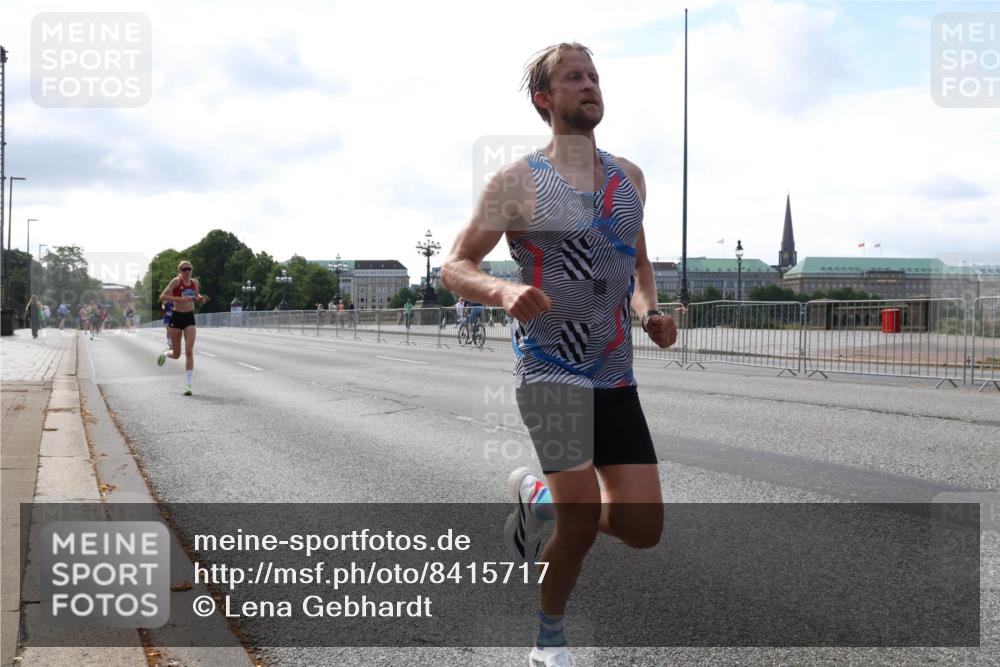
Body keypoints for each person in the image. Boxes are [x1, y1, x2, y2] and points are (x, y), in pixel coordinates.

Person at [441, 42, 678, 667]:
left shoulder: (630, 178)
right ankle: (549, 638)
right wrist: (503, 287)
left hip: (614, 372)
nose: (589, 85)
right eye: (574, 78)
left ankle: (537, 499)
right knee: (578, 521)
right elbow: (455, 266)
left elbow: (638, 263)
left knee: (642, 529)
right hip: (549, 369)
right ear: (545, 100)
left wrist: (648, 310)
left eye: (594, 76)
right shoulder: (516, 182)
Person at [156, 260, 209, 395]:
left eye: (189, 269)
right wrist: (179, 299)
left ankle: (188, 385)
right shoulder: (175, 282)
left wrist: (201, 298)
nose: (187, 271)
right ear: (180, 271)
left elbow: (195, 296)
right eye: (184, 269)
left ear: (192, 270)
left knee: (189, 351)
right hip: (177, 317)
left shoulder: (194, 283)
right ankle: (165, 353)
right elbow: (162, 296)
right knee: (177, 354)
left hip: (189, 317)